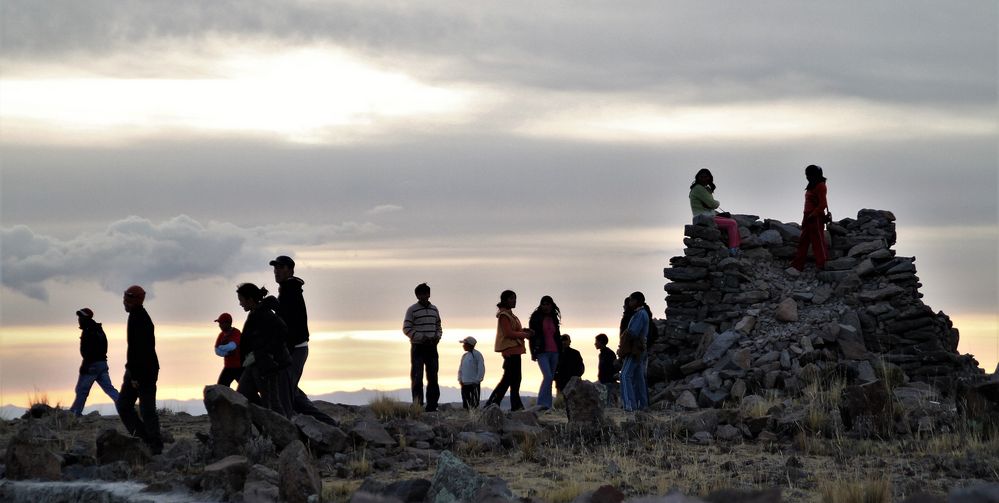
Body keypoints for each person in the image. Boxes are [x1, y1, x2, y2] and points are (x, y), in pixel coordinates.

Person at [270, 255, 336, 424]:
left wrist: (284, 349)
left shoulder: (289, 290)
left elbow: (289, 322)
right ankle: (327, 422)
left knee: (286, 391)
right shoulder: (288, 290)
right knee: (288, 389)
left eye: (280, 267)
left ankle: (322, 424)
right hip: (295, 347)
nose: (276, 271)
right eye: (275, 268)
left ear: (290, 270)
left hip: (295, 348)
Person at [115, 285, 163, 454]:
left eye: (127, 300)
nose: (124, 303)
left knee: (143, 408)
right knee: (131, 406)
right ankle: (147, 441)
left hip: (143, 371)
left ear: (135, 301)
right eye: (124, 300)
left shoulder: (140, 319)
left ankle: (152, 444)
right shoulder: (137, 316)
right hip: (140, 370)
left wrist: (135, 375)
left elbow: (140, 350)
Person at [235, 282, 295, 417]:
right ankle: (255, 431)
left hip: (266, 366)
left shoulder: (265, 314)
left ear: (250, 299)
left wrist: (261, 353)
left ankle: (284, 432)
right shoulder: (254, 313)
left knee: (272, 404)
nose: (240, 304)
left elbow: (282, 333)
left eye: (241, 300)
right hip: (254, 364)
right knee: (241, 397)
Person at [484, 290, 532, 411]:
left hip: (515, 351)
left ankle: (512, 405)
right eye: (511, 298)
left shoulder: (510, 315)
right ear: (505, 300)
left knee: (514, 379)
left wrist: (524, 332)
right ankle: (492, 404)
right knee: (509, 380)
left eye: (515, 298)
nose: (514, 301)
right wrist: (524, 335)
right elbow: (508, 333)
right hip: (510, 351)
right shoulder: (504, 315)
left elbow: (513, 331)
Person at [69, 308, 119, 416]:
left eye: (80, 317)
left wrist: (87, 366)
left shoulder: (89, 331)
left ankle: (74, 414)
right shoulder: (98, 329)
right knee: (109, 389)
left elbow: (89, 351)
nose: (79, 319)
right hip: (102, 364)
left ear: (85, 318)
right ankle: (127, 407)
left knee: (82, 390)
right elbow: (104, 347)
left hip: (92, 365)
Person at [403, 283, 443, 411]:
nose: (424, 296)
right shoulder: (412, 310)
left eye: (426, 293)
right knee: (417, 376)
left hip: (432, 346)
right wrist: (421, 337)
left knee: (433, 376)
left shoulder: (434, 309)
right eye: (421, 294)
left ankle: (432, 405)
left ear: (429, 294)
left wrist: (437, 337)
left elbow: (438, 326)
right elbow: (406, 328)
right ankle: (418, 405)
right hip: (418, 347)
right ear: (417, 295)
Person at [689, 168, 741, 256]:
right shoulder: (699, 189)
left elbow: (709, 205)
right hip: (704, 218)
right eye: (702, 177)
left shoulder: (701, 188)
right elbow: (713, 204)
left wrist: (710, 205)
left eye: (706, 177)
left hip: (703, 217)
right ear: (698, 178)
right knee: (732, 223)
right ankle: (733, 249)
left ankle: (735, 247)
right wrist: (717, 203)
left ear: (709, 178)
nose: (704, 179)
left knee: (730, 220)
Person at [790, 165, 830, 271]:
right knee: (803, 241)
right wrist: (806, 218)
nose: (807, 177)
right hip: (808, 216)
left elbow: (823, 204)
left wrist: (813, 214)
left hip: (815, 217)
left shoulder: (820, 186)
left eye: (808, 175)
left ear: (814, 175)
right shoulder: (812, 185)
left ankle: (822, 264)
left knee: (818, 241)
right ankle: (797, 265)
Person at [528, 295, 563, 410]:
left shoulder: (554, 318)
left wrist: (560, 350)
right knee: (547, 376)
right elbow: (532, 336)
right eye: (544, 304)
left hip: (555, 351)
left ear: (552, 305)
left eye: (548, 304)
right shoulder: (536, 318)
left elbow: (557, 335)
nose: (546, 306)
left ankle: (548, 405)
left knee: (550, 377)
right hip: (542, 351)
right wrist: (533, 352)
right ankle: (542, 403)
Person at [618, 291, 650, 412]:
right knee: (638, 377)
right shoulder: (641, 314)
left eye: (631, 300)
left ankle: (629, 405)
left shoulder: (640, 314)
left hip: (634, 349)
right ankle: (642, 404)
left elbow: (633, 332)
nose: (629, 302)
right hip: (638, 349)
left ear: (637, 301)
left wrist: (623, 341)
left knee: (624, 375)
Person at [213, 312, 242, 387]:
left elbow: (232, 346)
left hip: (239, 367)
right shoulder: (221, 334)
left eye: (221, 323)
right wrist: (227, 353)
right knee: (221, 388)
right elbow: (217, 351)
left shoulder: (236, 332)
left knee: (246, 389)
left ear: (228, 323)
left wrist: (221, 348)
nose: (219, 325)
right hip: (228, 367)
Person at [457, 336, 485, 410]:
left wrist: (477, 380)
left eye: (465, 344)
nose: (463, 345)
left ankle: (474, 416)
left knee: (474, 403)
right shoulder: (464, 356)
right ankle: (468, 415)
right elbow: (461, 369)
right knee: (466, 403)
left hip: (473, 384)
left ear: (469, 345)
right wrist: (460, 379)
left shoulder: (477, 355)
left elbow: (481, 368)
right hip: (464, 384)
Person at [595, 333, 619, 406]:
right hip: (603, 381)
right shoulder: (602, 354)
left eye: (597, 341)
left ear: (601, 342)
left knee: (608, 403)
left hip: (608, 381)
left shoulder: (609, 353)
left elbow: (612, 367)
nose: (595, 343)